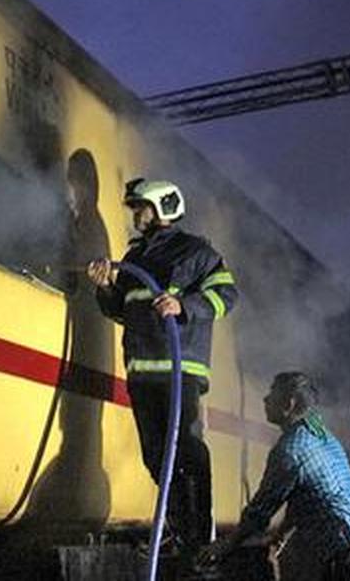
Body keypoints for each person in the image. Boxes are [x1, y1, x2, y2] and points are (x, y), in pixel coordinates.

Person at [87, 178, 238, 555]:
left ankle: (199, 535)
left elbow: (226, 295)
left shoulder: (196, 251)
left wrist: (184, 306)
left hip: (179, 369)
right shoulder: (135, 259)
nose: (136, 215)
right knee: (155, 455)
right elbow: (119, 309)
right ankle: (178, 529)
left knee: (185, 447)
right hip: (142, 372)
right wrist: (104, 286)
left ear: (163, 208)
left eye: (142, 207)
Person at [197, 372, 350, 581]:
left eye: (272, 393)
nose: (265, 399)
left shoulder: (291, 448)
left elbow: (261, 510)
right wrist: (278, 540)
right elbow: (309, 498)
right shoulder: (323, 436)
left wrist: (225, 545)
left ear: (289, 403)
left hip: (347, 549)